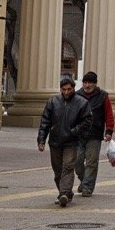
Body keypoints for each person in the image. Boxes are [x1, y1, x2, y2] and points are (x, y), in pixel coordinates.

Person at [37, 76, 95, 207]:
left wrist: (74, 131)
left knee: (68, 168)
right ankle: (66, 193)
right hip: (55, 141)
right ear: (60, 89)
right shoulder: (53, 101)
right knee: (57, 170)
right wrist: (41, 140)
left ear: (73, 88)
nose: (66, 92)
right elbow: (45, 121)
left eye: (69, 89)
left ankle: (63, 193)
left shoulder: (82, 103)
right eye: (64, 89)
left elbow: (87, 121)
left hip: (71, 142)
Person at [74, 72, 115, 196]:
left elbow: (109, 114)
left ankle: (87, 187)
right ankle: (84, 180)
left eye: (90, 83)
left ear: (95, 84)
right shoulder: (77, 95)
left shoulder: (103, 96)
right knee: (77, 161)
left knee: (91, 162)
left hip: (95, 133)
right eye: (85, 82)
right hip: (79, 134)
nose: (87, 85)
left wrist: (109, 130)